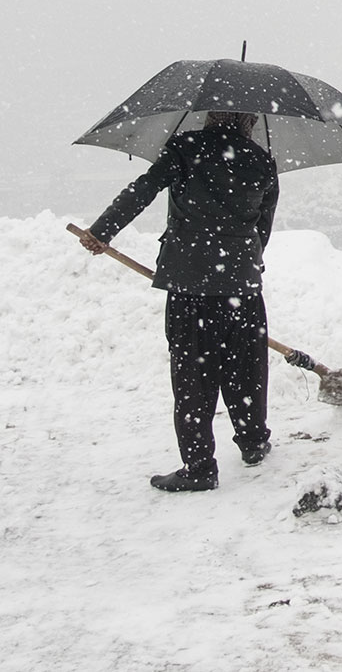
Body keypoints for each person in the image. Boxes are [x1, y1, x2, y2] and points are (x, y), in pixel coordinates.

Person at [77, 110, 280, 493]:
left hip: (191, 285)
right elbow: (263, 227)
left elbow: (144, 189)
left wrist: (102, 231)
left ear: (209, 115)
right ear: (249, 119)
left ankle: (200, 466)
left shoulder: (187, 148)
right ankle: (253, 442)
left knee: (193, 376)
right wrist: (239, 262)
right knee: (247, 366)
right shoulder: (262, 160)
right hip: (242, 285)